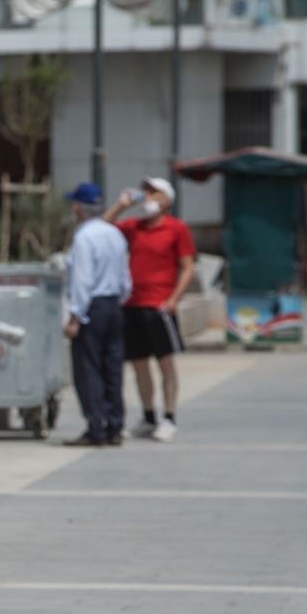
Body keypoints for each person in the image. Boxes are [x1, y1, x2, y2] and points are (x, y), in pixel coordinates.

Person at [102, 177, 196, 443]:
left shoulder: (177, 229)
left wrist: (174, 298)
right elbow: (102, 228)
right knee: (139, 364)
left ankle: (169, 417)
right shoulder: (135, 227)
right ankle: (148, 417)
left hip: (159, 306)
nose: (147, 197)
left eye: (153, 192)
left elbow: (187, 266)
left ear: (166, 199)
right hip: (132, 305)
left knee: (165, 363)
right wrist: (120, 206)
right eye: (145, 192)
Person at [62, 182, 131, 447]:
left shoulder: (83, 238)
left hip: (92, 307)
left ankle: (96, 427)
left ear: (79, 208)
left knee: (88, 367)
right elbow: (126, 277)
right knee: (112, 367)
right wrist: (119, 300)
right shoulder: (114, 234)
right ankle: (115, 425)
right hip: (114, 305)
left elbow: (82, 281)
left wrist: (75, 317)